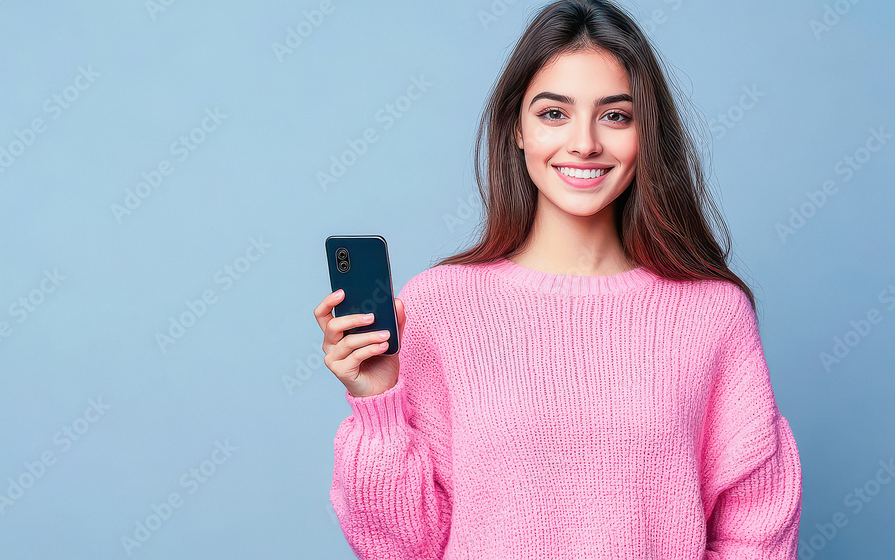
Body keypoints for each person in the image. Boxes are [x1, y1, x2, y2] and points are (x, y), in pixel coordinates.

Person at [313, 0, 802, 557]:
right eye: (553, 114)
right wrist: (377, 401)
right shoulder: (437, 306)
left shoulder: (713, 313)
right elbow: (403, 548)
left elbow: (756, 530)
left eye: (615, 115)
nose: (585, 142)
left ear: (646, 134)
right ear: (516, 130)